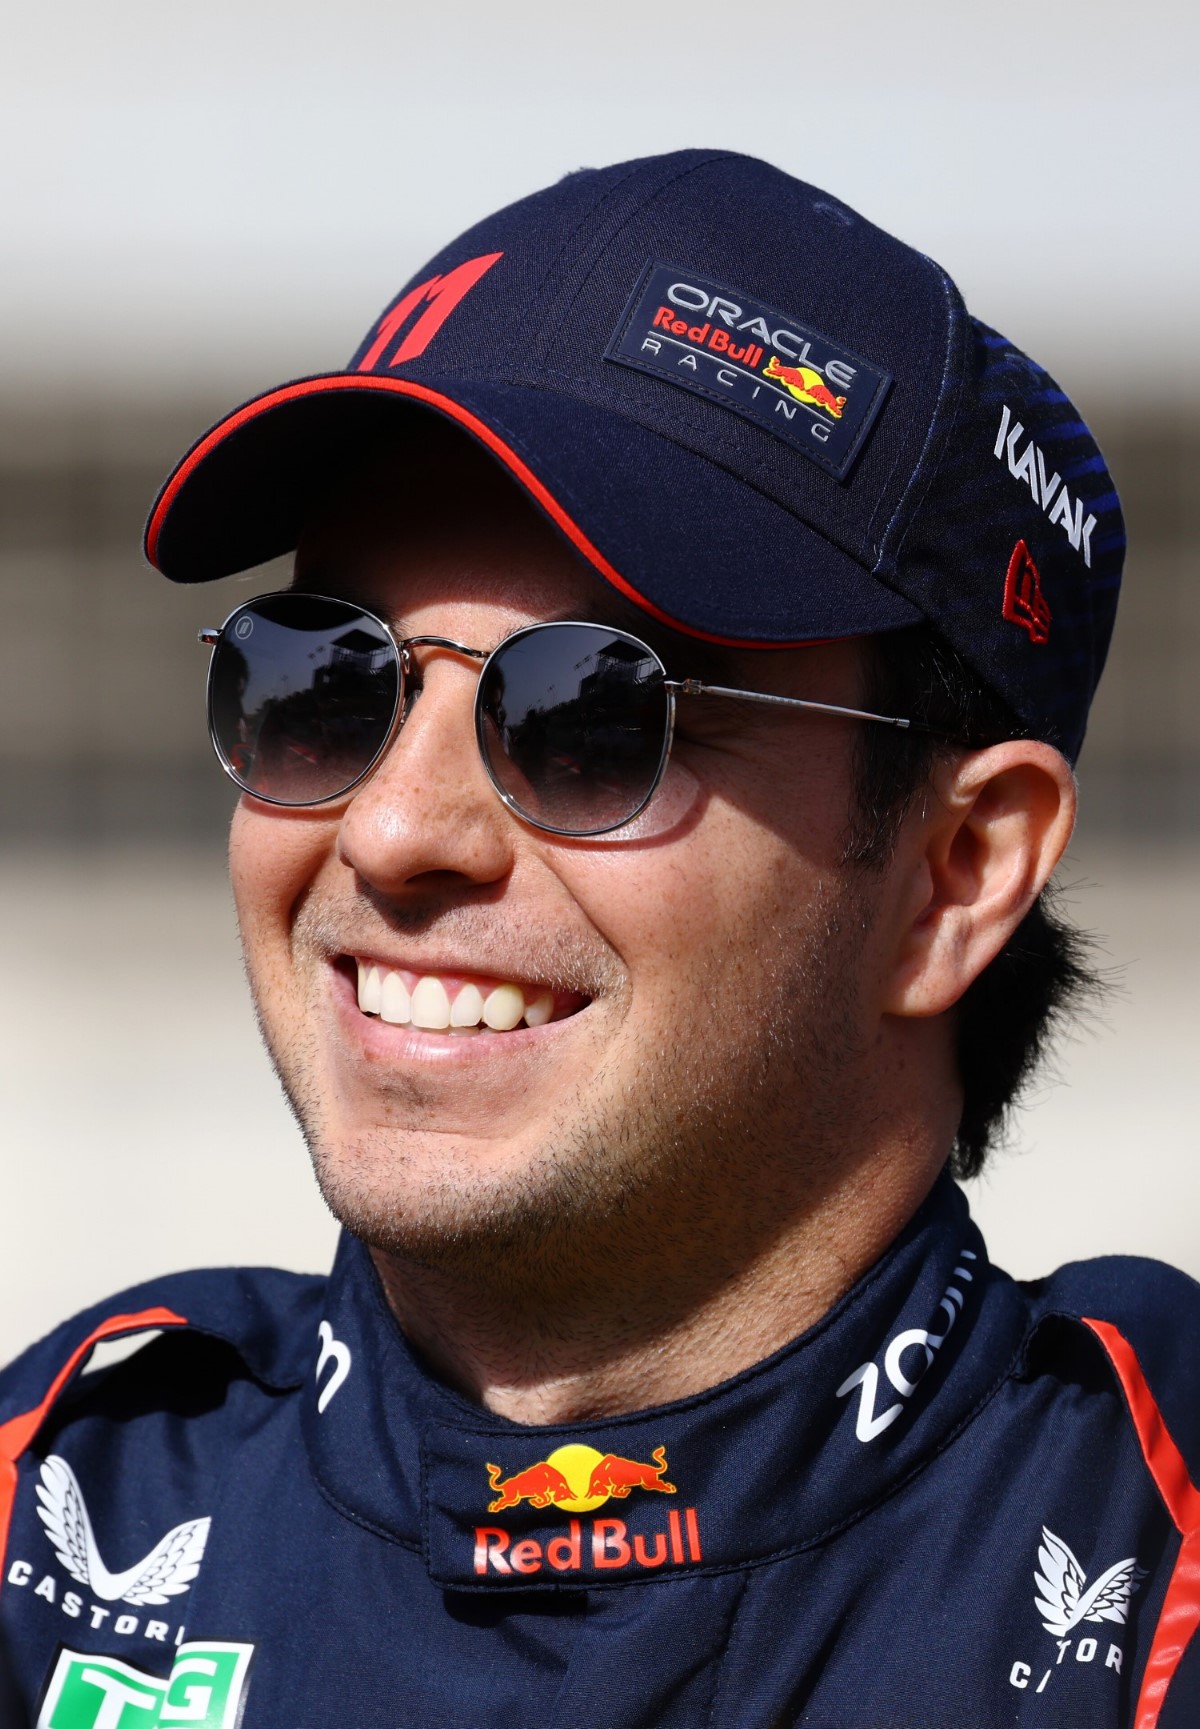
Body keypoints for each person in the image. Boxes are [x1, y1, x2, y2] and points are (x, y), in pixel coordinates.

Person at [1, 148, 1196, 1729]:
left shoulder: (1146, 1544)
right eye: (328, 678)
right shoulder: (57, 1504)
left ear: (956, 872)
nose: (393, 828)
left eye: (592, 715)